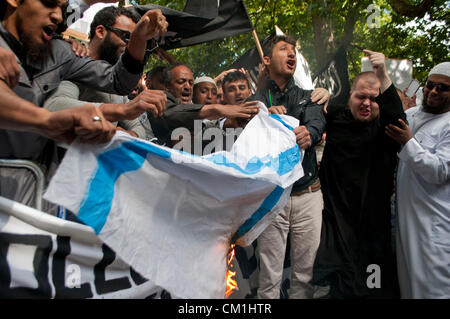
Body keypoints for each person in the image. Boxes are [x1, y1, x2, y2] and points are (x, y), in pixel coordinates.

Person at [0, 0, 167, 208]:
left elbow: (119, 81)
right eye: (49, 3)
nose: (58, 17)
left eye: (61, 9)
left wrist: (139, 38)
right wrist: (47, 120)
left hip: (35, 199)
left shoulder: (61, 52)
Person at [312, 50, 406, 299]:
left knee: (373, 290)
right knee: (338, 290)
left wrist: (382, 74)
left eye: (373, 99)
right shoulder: (336, 118)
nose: (366, 103)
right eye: (360, 97)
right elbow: (308, 113)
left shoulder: (387, 130)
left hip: (373, 233)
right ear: (350, 96)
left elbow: (398, 116)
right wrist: (322, 95)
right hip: (336, 227)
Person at [249, 35, 328, 299]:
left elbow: (317, 123)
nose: (291, 54)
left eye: (294, 50)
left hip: (308, 195)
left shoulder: (310, 96)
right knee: (269, 277)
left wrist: (311, 133)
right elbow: (238, 133)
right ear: (267, 60)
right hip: (272, 196)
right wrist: (262, 118)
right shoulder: (255, 101)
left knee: (304, 276)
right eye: (284, 49)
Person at [44, 6, 166, 141]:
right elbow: (55, 108)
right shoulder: (75, 61)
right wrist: (122, 111)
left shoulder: (117, 83)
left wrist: (130, 134)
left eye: (134, 40)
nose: (130, 45)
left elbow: (139, 128)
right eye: (126, 37)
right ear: (100, 31)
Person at [385, 62, 450, 299]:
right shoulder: (411, 116)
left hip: (435, 227)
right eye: (430, 85)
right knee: (409, 289)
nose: (433, 92)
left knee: (434, 290)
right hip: (405, 223)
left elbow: (439, 170)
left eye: (443, 88)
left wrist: (408, 142)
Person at [149, 63, 260, 149]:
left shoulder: (199, 118)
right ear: (167, 86)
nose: (187, 87)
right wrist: (217, 108)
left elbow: (209, 131)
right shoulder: (157, 99)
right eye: (181, 82)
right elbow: (172, 114)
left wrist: (229, 124)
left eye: (191, 83)